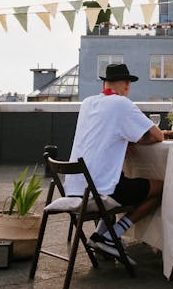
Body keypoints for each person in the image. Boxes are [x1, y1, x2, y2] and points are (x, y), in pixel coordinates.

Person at [64, 63, 164, 262]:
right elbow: (158, 135)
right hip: (99, 191)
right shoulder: (121, 103)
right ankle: (112, 235)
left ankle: (103, 234)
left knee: (120, 178)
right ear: (126, 85)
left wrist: (125, 139)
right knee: (162, 187)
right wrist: (137, 139)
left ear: (105, 83)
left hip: (74, 187)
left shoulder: (88, 103)